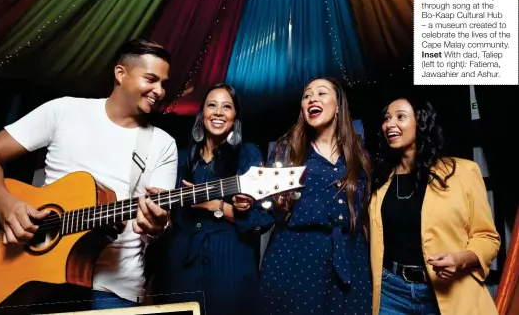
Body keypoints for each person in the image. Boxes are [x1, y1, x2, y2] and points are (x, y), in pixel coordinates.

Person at [0, 39, 178, 312]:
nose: (159, 91)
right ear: (120, 73)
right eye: (151, 79)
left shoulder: (162, 143)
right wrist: (5, 204)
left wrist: (159, 226)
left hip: (114, 290)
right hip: (37, 277)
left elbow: (157, 224)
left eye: (164, 83)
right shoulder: (64, 111)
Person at [149, 83, 273, 315]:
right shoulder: (180, 157)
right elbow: (166, 221)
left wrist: (217, 206)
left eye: (226, 107)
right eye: (212, 105)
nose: (218, 112)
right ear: (202, 113)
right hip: (181, 261)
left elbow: (263, 218)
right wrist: (162, 203)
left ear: (234, 117)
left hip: (230, 261)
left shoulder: (248, 155)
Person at [369, 97, 500, 315]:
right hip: (391, 294)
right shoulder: (380, 180)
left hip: (447, 291)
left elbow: (487, 237)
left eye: (400, 117)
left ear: (420, 123)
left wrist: (460, 259)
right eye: (386, 119)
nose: (389, 124)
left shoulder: (462, 172)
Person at [257, 77, 373, 314]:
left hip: (351, 260)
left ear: (338, 105)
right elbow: (264, 211)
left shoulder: (359, 155)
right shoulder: (287, 149)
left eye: (321, 93)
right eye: (307, 95)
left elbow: (365, 216)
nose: (313, 99)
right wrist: (249, 205)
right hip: (295, 261)